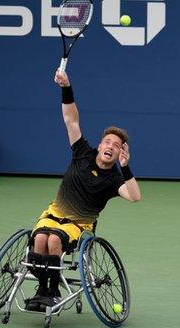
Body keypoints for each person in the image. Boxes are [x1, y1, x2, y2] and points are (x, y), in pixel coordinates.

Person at [25, 69, 142, 311]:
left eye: (117, 146)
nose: (111, 146)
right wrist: (66, 87)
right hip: (52, 214)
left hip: (78, 224)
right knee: (39, 238)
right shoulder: (82, 152)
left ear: (120, 153)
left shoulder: (113, 180)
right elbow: (71, 119)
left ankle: (52, 292)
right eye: (108, 142)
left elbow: (134, 196)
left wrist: (126, 168)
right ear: (100, 146)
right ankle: (43, 289)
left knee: (54, 239)